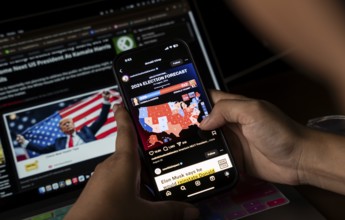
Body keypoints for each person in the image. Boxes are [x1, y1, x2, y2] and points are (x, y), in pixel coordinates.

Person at [16, 91, 112, 154]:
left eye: (68, 122)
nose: (67, 124)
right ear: (61, 129)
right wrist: (24, 142)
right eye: (64, 124)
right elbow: (42, 149)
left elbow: (101, 119)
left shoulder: (86, 131)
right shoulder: (59, 142)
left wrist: (106, 101)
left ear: (73, 125)